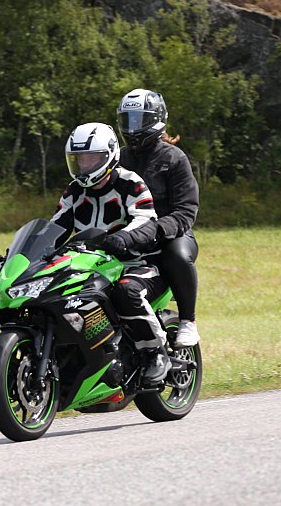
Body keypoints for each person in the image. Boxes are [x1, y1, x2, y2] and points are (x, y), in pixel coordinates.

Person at [51, 121, 172, 384]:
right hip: (90, 266)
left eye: (92, 158)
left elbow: (147, 220)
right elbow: (56, 226)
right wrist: (31, 253)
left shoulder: (130, 183)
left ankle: (155, 352)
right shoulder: (74, 192)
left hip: (135, 264)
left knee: (126, 291)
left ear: (109, 156)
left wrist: (123, 237)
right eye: (79, 160)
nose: (85, 165)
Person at [116, 88, 201, 347]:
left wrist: (157, 230)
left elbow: (186, 211)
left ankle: (188, 321)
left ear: (156, 119)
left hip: (171, 236)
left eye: (138, 119)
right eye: (127, 120)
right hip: (129, 235)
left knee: (176, 254)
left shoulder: (174, 158)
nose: (132, 127)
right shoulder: (118, 157)